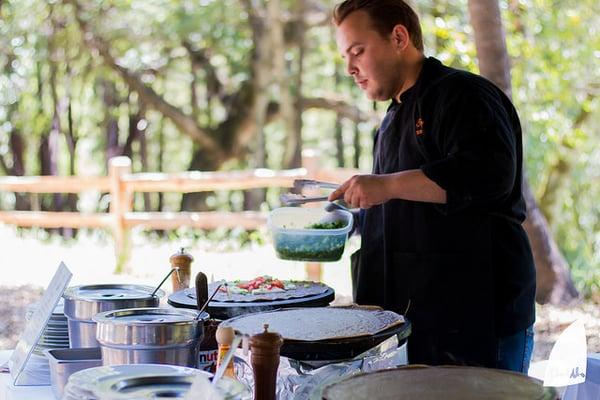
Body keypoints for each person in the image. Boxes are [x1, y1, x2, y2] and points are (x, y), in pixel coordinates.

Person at [329, 0, 536, 373]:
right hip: (418, 323)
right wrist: (343, 223)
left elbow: (489, 177)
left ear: (398, 37)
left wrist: (386, 185)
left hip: (480, 319)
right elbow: (400, 211)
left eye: (357, 51)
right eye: (346, 56)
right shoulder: (389, 122)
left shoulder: (464, 95)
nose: (350, 69)